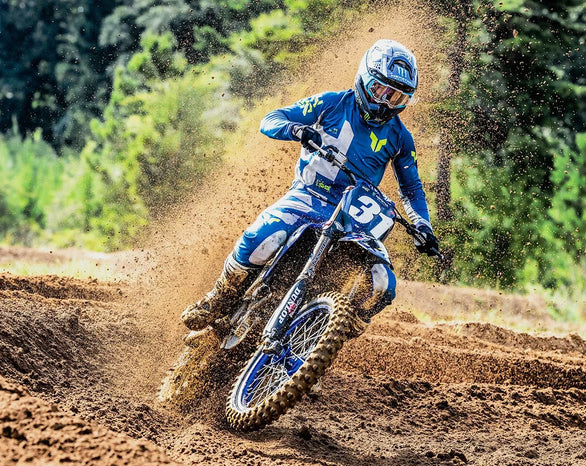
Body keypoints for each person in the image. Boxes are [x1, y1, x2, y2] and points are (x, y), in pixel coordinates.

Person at [182, 39, 439, 331]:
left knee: (383, 283)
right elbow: (272, 119)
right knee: (264, 238)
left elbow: (411, 189)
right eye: (381, 90)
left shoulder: (401, 138)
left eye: (397, 98)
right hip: (308, 196)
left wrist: (424, 227)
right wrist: (296, 130)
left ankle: (335, 331)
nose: (385, 103)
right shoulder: (332, 103)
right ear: (365, 78)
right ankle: (219, 297)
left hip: (351, 219)